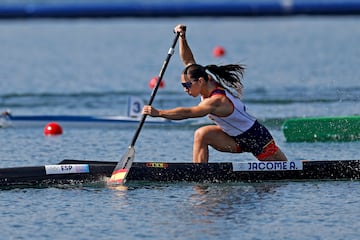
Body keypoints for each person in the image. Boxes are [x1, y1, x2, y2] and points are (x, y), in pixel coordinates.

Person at [142, 24, 288, 163]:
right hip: (233, 138)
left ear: (200, 81)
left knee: (277, 180)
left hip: (257, 139)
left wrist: (159, 113)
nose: (185, 89)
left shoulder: (217, 100)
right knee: (202, 134)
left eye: (187, 85)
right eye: (183, 85)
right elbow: (188, 61)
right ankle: (199, 174)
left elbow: (190, 112)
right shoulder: (206, 80)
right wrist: (182, 37)